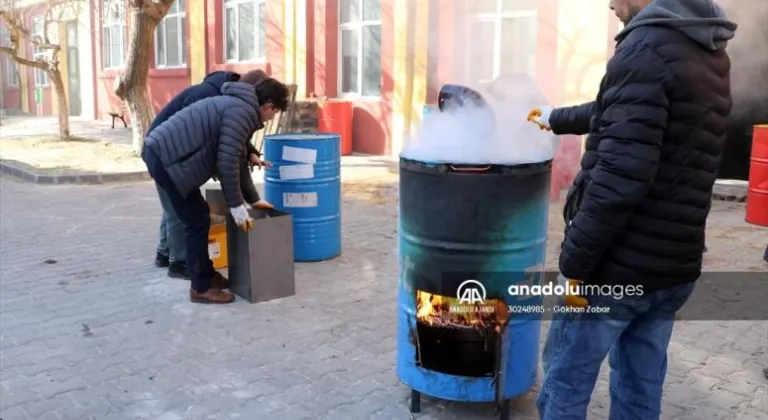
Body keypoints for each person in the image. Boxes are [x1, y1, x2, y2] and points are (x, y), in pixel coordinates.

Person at [525, 0, 736, 419]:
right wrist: (553, 118)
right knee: (641, 382)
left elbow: (620, 178)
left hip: (615, 271)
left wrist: (575, 266)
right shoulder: (706, 46)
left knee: (566, 380)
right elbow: (617, 110)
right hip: (673, 265)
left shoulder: (645, 47)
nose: (609, 4)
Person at [142, 78, 290, 304]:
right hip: (166, 158)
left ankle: (207, 275)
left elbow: (238, 159)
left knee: (199, 215)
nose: (271, 117)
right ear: (269, 105)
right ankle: (200, 288)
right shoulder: (243, 112)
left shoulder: (238, 105)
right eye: (274, 112)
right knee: (196, 221)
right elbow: (227, 162)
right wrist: (237, 206)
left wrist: (253, 199)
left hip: (166, 155)